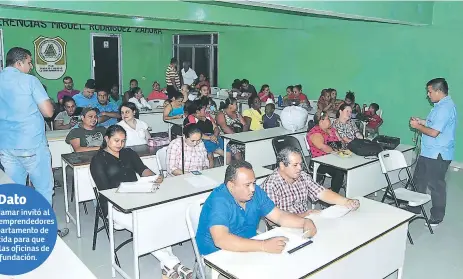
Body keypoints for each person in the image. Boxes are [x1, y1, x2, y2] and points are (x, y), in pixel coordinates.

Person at [90, 125, 193, 279]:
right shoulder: (98, 161)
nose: (120, 144)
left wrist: (154, 177)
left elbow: (142, 169)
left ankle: (167, 267)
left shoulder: (128, 153)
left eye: (123, 141)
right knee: (145, 225)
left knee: (159, 219)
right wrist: (126, 197)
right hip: (115, 207)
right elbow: (105, 191)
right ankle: (174, 263)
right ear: (106, 139)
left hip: (138, 198)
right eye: (116, 140)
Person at [0, 47, 69, 237]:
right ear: (19, 62)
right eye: (29, 62)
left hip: (6, 146)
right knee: (43, 189)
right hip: (31, 144)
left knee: (15, 191)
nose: (31, 67)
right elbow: (48, 112)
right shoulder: (29, 80)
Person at [196, 160, 317, 257]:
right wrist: (263, 245)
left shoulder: (256, 192)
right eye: (247, 185)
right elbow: (221, 240)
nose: (253, 188)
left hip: (249, 246)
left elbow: (278, 216)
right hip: (217, 256)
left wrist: (304, 222)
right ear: (231, 186)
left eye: (253, 183)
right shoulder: (219, 201)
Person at [408, 78, 457, 226]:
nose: (428, 95)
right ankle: (414, 207)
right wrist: (422, 121)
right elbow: (433, 124)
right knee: (418, 180)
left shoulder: (445, 108)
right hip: (428, 152)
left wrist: (417, 126)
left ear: (438, 91)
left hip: (437, 154)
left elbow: (434, 132)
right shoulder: (440, 106)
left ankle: (437, 216)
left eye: (429, 92)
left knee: (436, 185)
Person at [262, 147, 359, 216]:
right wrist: (304, 215)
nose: (300, 168)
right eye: (295, 165)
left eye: (301, 164)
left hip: (305, 219)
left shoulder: (302, 176)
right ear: (282, 165)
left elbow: (321, 192)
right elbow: (274, 219)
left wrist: (346, 201)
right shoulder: (270, 185)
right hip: (284, 227)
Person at [307, 112, 346, 193]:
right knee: (339, 171)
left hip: (335, 157)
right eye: (328, 118)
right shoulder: (315, 133)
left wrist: (342, 149)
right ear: (321, 122)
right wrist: (337, 152)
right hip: (321, 162)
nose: (330, 120)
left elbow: (341, 141)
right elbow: (323, 147)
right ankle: (332, 197)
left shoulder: (332, 130)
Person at [184, 99, 230, 166]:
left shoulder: (207, 116)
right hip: (201, 139)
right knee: (210, 155)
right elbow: (194, 133)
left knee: (227, 151)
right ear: (197, 111)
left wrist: (215, 135)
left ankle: (226, 170)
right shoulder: (191, 119)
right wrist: (210, 138)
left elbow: (216, 128)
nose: (206, 111)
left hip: (213, 137)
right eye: (204, 109)